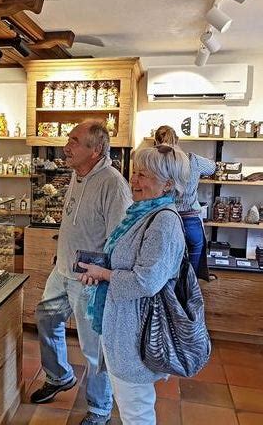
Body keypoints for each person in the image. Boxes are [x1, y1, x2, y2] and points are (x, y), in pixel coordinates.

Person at [77, 144, 190, 424]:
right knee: (129, 404)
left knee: (136, 410)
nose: (134, 181)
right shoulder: (141, 214)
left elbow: (147, 280)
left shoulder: (163, 222)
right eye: (135, 173)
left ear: (168, 185)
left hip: (135, 332)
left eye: (144, 176)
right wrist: (102, 267)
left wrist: (104, 275)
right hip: (122, 326)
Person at [30, 120, 132, 425]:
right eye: (68, 139)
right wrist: (62, 253)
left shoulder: (113, 184)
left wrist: (102, 271)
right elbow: (76, 224)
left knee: (93, 349)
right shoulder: (77, 175)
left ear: (96, 149)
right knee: (46, 319)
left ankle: (99, 409)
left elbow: (120, 238)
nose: (66, 146)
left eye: (75, 140)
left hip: (90, 282)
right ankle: (60, 376)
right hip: (62, 273)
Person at [154, 125, 215, 279]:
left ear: (155, 142)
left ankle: (169, 298)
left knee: (167, 266)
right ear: (178, 140)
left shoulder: (156, 163)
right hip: (191, 222)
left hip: (167, 219)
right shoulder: (193, 160)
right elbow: (212, 168)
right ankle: (188, 296)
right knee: (190, 276)